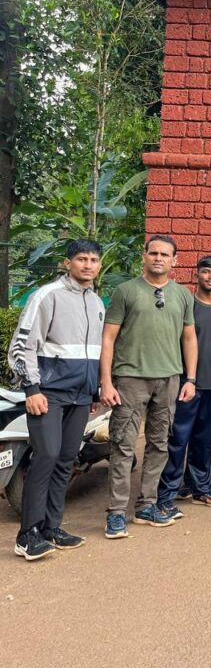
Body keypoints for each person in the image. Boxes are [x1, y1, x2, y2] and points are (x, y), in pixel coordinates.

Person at [9, 239, 104, 561]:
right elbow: (22, 346)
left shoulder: (96, 303)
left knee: (66, 460)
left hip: (80, 396)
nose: (88, 265)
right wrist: (31, 389)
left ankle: (51, 527)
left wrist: (93, 392)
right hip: (48, 393)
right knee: (46, 457)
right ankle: (27, 534)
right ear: (68, 263)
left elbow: (93, 353)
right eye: (81, 259)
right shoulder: (47, 296)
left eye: (93, 260)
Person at [100, 235, 197, 538]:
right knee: (123, 444)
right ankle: (116, 512)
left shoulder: (182, 295)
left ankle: (147, 504)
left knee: (159, 444)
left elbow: (189, 338)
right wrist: (106, 381)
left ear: (174, 260)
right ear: (144, 256)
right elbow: (108, 338)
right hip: (130, 379)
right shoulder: (125, 291)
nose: (158, 258)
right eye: (153, 253)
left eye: (164, 254)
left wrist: (190, 378)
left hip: (169, 379)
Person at [156, 256, 211, 518]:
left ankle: (201, 488)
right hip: (186, 384)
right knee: (178, 439)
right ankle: (167, 493)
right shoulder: (186, 304)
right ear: (196, 274)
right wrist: (186, 378)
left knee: (204, 440)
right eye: (206, 272)